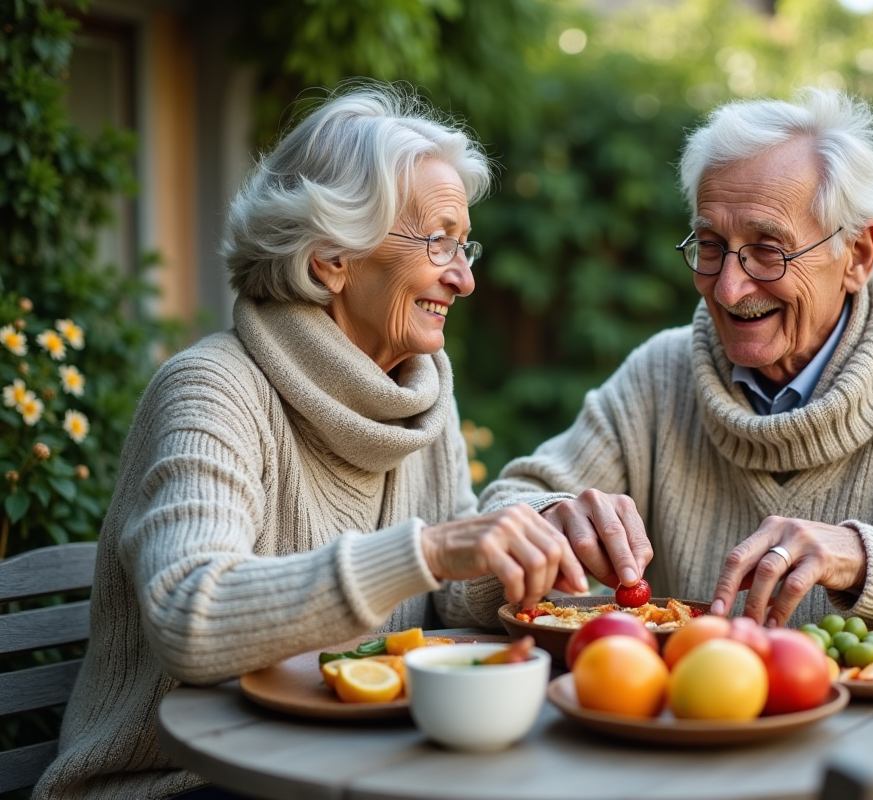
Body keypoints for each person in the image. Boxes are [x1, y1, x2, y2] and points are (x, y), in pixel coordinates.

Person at [35, 83, 586, 800]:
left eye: (464, 243)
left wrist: (539, 544)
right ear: (332, 257)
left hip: (343, 766)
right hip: (179, 782)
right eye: (439, 241)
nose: (466, 278)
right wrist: (426, 552)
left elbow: (453, 597)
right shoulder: (212, 389)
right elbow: (190, 616)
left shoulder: (418, 394)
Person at [479, 88, 873, 705]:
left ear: (857, 254)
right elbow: (484, 553)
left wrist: (872, 563)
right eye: (711, 246)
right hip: (692, 746)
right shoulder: (656, 378)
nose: (728, 288)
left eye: (767, 250)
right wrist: (543, 522)